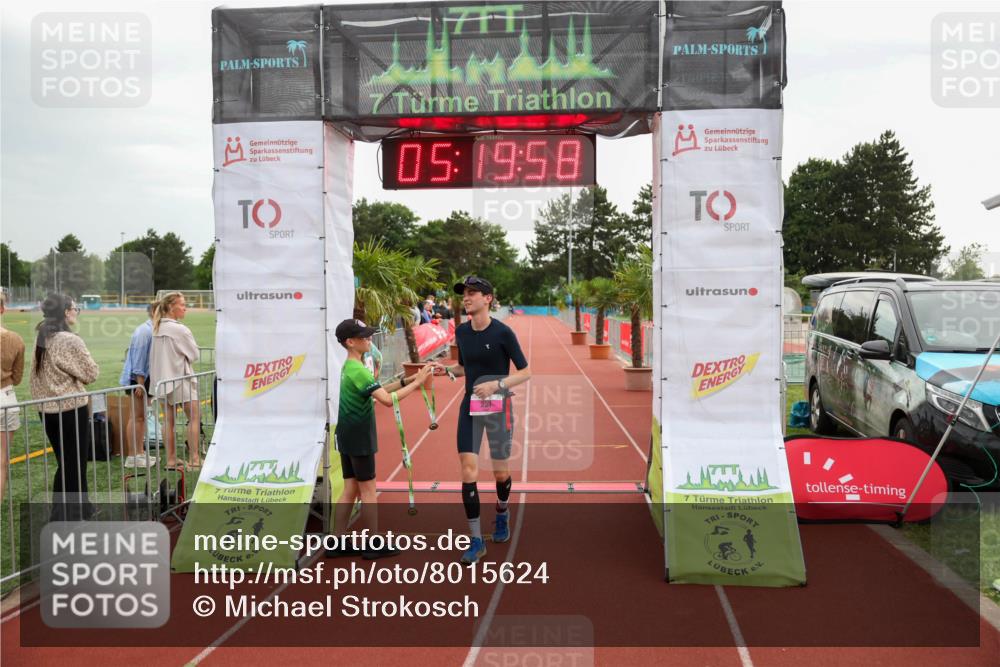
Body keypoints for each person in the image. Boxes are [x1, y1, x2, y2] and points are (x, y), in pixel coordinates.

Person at [326, 319, 434, 560]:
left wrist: (408, 379)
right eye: (363, 336)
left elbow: (380, 389)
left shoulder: (351, 367)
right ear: (350, 342)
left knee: (351, 488)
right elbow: (386, 400)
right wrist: (418, 382)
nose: (369, 339)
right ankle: (373, 542)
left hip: (347, 433)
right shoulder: (357, 370)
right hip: (359, 435)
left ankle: (337, 541)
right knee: (368, 490)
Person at [446, 276, 530, 565]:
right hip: (470, 408)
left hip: (498, 409)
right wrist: (445, 371)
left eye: (472, 293)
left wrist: (497, 385)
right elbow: (463, 367)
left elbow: (525, 372)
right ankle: (476, 540)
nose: (466, 298)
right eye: (464, 294)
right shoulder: (462, 332)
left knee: (499, 474)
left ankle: (502, 512)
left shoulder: (503, 333)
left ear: (488, 299)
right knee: (468, 471)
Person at [29, 294, 99, 520]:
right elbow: (91, 374)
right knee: (73, 463)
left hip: (46, 409)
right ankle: (61, 516)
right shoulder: (69, 339)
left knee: (68, 461)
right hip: (69, 408)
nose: (76, 312)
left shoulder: (43, 335)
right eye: (75, 309)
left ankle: (82, 508)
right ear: (66, 312)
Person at [150, 292, 201, 468]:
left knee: (168, 421)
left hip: (162, 381)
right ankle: (194, 459)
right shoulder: (180, 329)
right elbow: (194, 355)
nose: (185, 307)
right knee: (194, 417)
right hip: (180, 379)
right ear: (172, 307)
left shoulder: (156, 327)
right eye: (182, 304)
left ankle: (171, 460)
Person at [119, 304, 156, 468]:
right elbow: (139, 359)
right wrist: (140, 384)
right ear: (155, 312)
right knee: (137, 417)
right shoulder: (144, 331)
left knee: (142, 418)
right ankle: (133, 456)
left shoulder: (152, 329)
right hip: (137, 380)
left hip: (144, 379)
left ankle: (140, 453)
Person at [0, 291, 25, 500]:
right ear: (2, 309)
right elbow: (17, 378)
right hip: (6, 398)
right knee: (1, 462)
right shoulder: (16, 340)